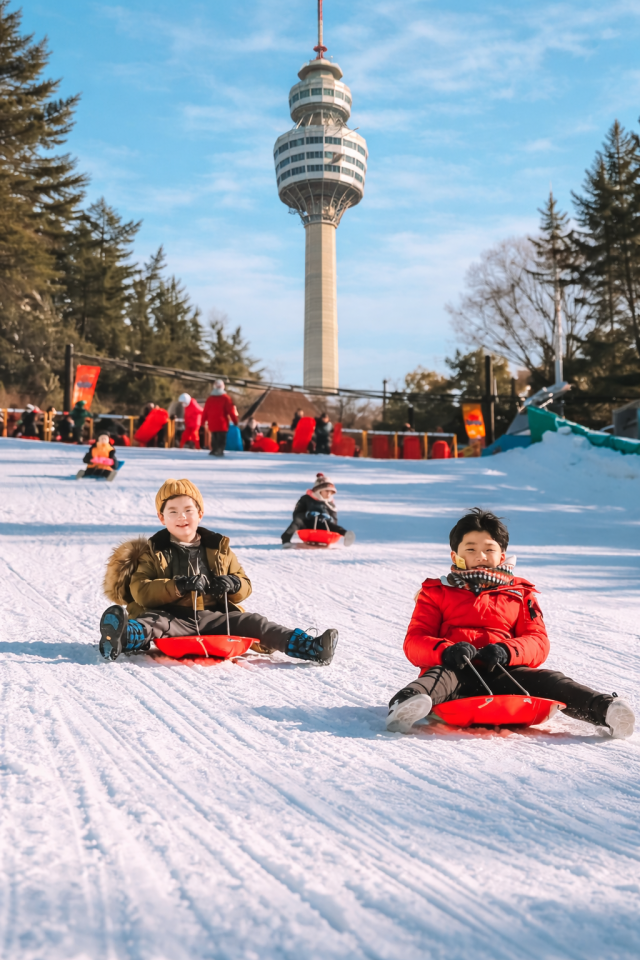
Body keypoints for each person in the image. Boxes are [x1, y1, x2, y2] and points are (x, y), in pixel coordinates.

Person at [385, 508, 635, 739]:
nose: (480, 556)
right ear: (456, 555)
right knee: (437, 677)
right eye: (470, 549)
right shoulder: (436, 592)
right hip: (456, 670)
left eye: (489, 549)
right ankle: (405, 704)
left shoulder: (520, 594)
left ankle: (607, 710)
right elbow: (415, 640)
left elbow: (538, 641)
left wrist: (507, 651)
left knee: (551, 681)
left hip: (505, 672)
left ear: (501, 555)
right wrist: (446, 651)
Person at [98, 478, 339, 665]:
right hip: (172, 617)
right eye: (173, 511)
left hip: (213, 616)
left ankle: (311, 647)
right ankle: (122, 636)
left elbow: (245, 584)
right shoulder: (155, 551)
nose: (182, 516)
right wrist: (177, 586)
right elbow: (141, 591)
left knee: (254, 622)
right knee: (153, 622)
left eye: (188, 510)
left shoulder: (218, 549)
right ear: (162, 518)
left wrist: (233, 584)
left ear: (199, 513)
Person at [281, 473, 355, 546]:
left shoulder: (330, 504)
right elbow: (297, 513)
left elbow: (334, 520)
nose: (329, 494)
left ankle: (346, 535)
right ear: (319, 490)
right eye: (326, 491)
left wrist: (330, 518)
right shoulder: (307, 498)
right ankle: (286, 539)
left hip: (323, 525)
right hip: (307, 525)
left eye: (331, 492)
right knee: (298, 519)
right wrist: (307, 514)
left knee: (333, 526)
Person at [202, 380, 238, 457]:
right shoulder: (226, 398)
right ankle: (219, 450)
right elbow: (231, 411)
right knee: (221, 439)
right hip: (222, 423)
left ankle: (214, 450)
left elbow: (205, 412)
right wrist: (235, 421)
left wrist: (202, 422)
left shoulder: (210, 399)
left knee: (214, 437)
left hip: (212, 423)